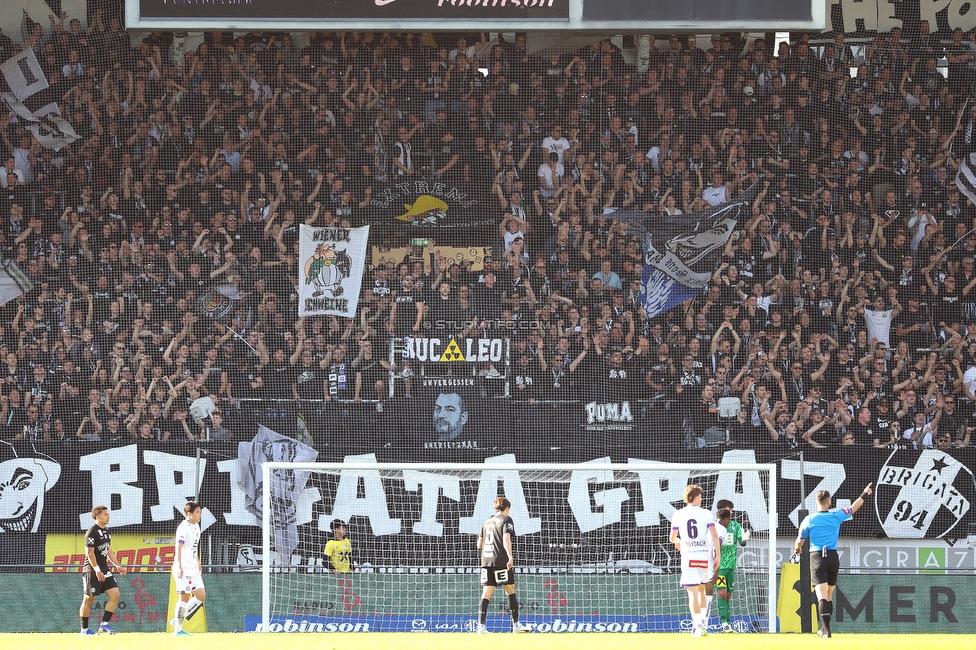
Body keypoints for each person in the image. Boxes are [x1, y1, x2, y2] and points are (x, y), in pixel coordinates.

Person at [793, 483, 874, 638]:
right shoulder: (836, 515)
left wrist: (797, 550)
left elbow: (799, 539)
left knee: (821, 595)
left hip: (817, 557)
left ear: (816, 502)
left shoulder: (809, 519)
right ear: (829, 502)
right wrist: (865, 493)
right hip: (832, 557)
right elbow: (853, 508)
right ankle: (824, 629)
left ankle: (826, 630)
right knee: (829, 595)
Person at [670, 484, 721, 637]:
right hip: (704, 556)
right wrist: (717, 555)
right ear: (695, 497)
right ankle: (703, 625)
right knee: (701, 590)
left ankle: (697, 627)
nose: (702, 499)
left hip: (689, 555)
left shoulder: (678, 514)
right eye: (700, 496)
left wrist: (677, 541)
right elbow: (713, 535)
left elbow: (672, 537)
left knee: (692, 592)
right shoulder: (706, 513)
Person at [476, 496, 528, 634]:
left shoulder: (486, 522)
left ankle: (480, 626)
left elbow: (479, 545)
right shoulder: (506, 520)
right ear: (507, 508)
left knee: (486, 593)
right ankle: (516, 625)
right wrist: (510, 556)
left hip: (486, 562)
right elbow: (506, 538)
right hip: (500, 561)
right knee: (510, 591)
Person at [80, 505, 127, 635]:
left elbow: (109, 550)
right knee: (88, 599)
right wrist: (96, 569)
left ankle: (104, 624)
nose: (108, 516)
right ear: (97, 516)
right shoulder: (91, 532)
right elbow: (90, 553)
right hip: (92, 570)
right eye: (105, 514)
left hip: (105, 569)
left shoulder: (107, 531)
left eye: (108, 514)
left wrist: (117, 565)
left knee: (115, 594)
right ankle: (84, 630)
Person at [715, 499, 751, 632]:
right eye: (729, 510)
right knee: (722, 593)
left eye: (731, 510)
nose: (731, 512)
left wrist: (745, 538)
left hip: (731, 566)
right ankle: (724, 624)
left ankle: (727, 624)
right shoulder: (714, 526)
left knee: (728, 594)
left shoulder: (736, 526)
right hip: (720, 566)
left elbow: (742, 543)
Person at [171, 501, 206, 636]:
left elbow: (194, 547)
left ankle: (178, 619)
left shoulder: (196, 526)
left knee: (201, 596)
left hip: (193, 567)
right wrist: (179, 566)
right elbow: (178, 548)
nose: (200, 515)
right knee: (184, 597)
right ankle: (178, 630)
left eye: (200, 512)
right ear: (189, 513)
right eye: (197, 512)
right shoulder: (183, 527)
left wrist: (197, 562)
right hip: (184, 567)